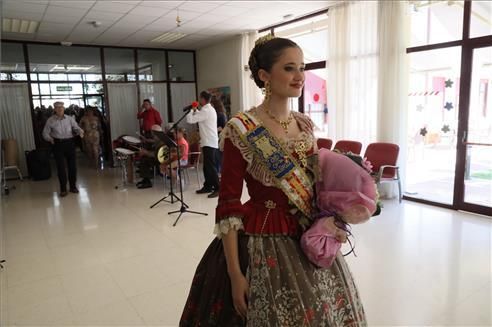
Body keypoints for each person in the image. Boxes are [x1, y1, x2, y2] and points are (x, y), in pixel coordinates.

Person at [180, 36, 366, 326]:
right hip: (261, 239)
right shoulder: (240, 129)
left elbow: (315, 185)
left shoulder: (304, 124)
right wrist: (234, 275)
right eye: (290, 68)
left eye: (302, 68)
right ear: (264, 76)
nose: (300, 76)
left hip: (308, 235)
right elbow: (228, 203)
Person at [42, 101, 84, 197]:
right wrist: (50, 139)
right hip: (58, 144)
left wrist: (80, 131)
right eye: (57, 107)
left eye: (61, 107)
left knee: (72, 166)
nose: (60, 109)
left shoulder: (69, 119)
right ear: (55, 109)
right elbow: (45, 133)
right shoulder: (50, 120)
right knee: (61, 167)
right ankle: (63, 189)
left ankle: (73, 186)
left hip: (69, 143)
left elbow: (76, 127)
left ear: (64, 108)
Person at [186, 91, 220, 198]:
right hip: (208, 141)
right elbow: (198, 117)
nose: (199, 100)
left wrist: (191, 110)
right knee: (206, 166)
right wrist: (195, 110)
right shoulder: (208, 109)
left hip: (209, 142)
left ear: (203, 99)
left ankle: (218, 188)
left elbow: (190, 119)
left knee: (210, 166)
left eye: (200, 98)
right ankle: (208, 186)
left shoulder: (206, 111)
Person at [136, 124, 163, 189]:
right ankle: (145, 179)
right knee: (144, 158)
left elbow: (157, 154)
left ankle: (147, 182)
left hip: (161, 159)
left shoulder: (162, 141)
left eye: (152, 131)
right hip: (158, 156)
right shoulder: (159, 137)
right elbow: (154, 142)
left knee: (145, 160)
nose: (151, 133)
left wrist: (146, 152)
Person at [211, 96, 228, 175]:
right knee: (216, 159)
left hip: (220, 139)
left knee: (219, 159)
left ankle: (220, 176)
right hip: (216, 139)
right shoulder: (217, 114)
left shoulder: (220, 115)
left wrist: (216, 129)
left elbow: (224, 128)